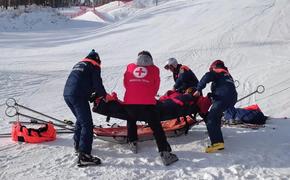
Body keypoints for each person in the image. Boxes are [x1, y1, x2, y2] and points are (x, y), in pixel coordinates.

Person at [123, 50, 178, 166]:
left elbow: (126, 84)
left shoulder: (130, 67)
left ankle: (132, 142)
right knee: (157, 128)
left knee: (131, 119)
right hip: (147, 103)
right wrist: (146, 94)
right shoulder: (155, 69)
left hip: (130, 102)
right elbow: (155, 88)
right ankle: (165, 154)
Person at [63, 49, 114, 166]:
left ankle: (78, 146)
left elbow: (81, 81)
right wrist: (104, 96)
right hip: (78, 96)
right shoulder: (94, 65)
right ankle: (84, 155)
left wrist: (91, 93)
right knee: (87, 124)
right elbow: (97, 83)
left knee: (81, 120)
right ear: (98, 60)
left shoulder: (79, 64)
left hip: (67, 94)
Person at [193, 60, 237, 153]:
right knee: (216, 116)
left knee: (211, 119)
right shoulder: (227, 74)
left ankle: (217, 143)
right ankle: (216, 133)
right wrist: (211, 95)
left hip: (222, 97)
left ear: (214, 67)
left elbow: (207, 76)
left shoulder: (217, 71)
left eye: (211, 69)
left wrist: (198, 89)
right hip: (231, 98)